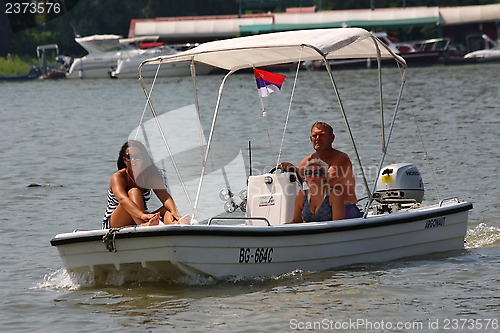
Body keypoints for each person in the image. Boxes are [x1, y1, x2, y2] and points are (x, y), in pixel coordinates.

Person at [281, 121, 362, 219]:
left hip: (347, 210)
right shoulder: (309, 160)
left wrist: (301, 173)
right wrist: (290, 170)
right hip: (320, 211)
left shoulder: (341, 158)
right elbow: (299, 179)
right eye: (315, 136)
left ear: (332, 138)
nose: (318, 139)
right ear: (311, 139)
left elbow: (324, 181)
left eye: (322, 135)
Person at [102, 140, 187, 229]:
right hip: (115, 221)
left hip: (142, 216)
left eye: (137, 157)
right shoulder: (118, 177)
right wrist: (142, 216)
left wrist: (174, 212)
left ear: (143, 159)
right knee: (134, 191)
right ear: (124, 160)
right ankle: (143, 225)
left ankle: (176, 225)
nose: (133, 160)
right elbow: (122, 199)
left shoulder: (149, 175)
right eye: (129, 157)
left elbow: (165, 197)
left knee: (167, 210)